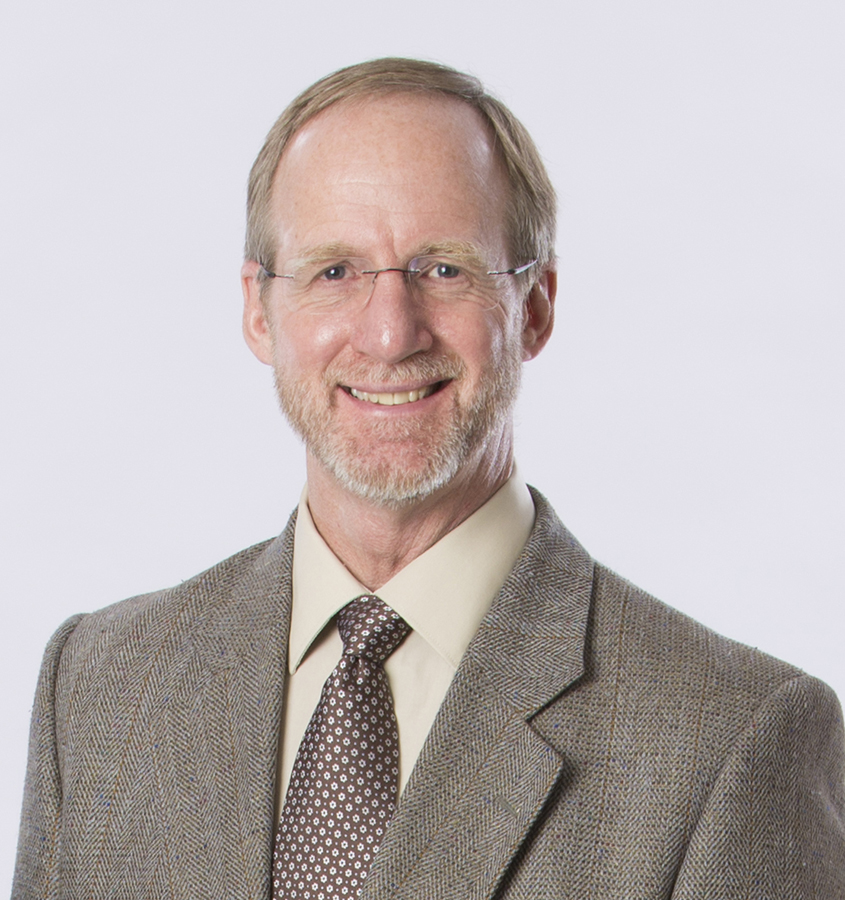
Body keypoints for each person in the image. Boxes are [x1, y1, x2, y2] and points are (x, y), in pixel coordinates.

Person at [12, 58, 845, 900]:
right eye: (334, 270)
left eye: (443, 268)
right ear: (257, 311)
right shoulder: (100, 688)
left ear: (536, 307)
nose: (387, 332)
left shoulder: (731, 741)